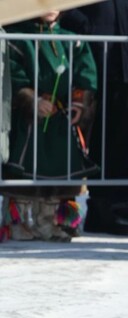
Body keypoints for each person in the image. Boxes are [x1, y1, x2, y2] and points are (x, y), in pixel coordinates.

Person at [61, 0, 128, 237]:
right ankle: (100, 206)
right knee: (99, 134)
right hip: (95, 58)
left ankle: (122, 199)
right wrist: (87, 27)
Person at [2, 12, 97, 242]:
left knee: (62, 170)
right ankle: (18, 221)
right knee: (24, 169)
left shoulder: (73, 39)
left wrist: (79, 102)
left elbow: (86, 73)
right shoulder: (17, 38)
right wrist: (31, 99)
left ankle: (56, 221)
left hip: (61, 117)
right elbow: (12, 73)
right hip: (29, 120)